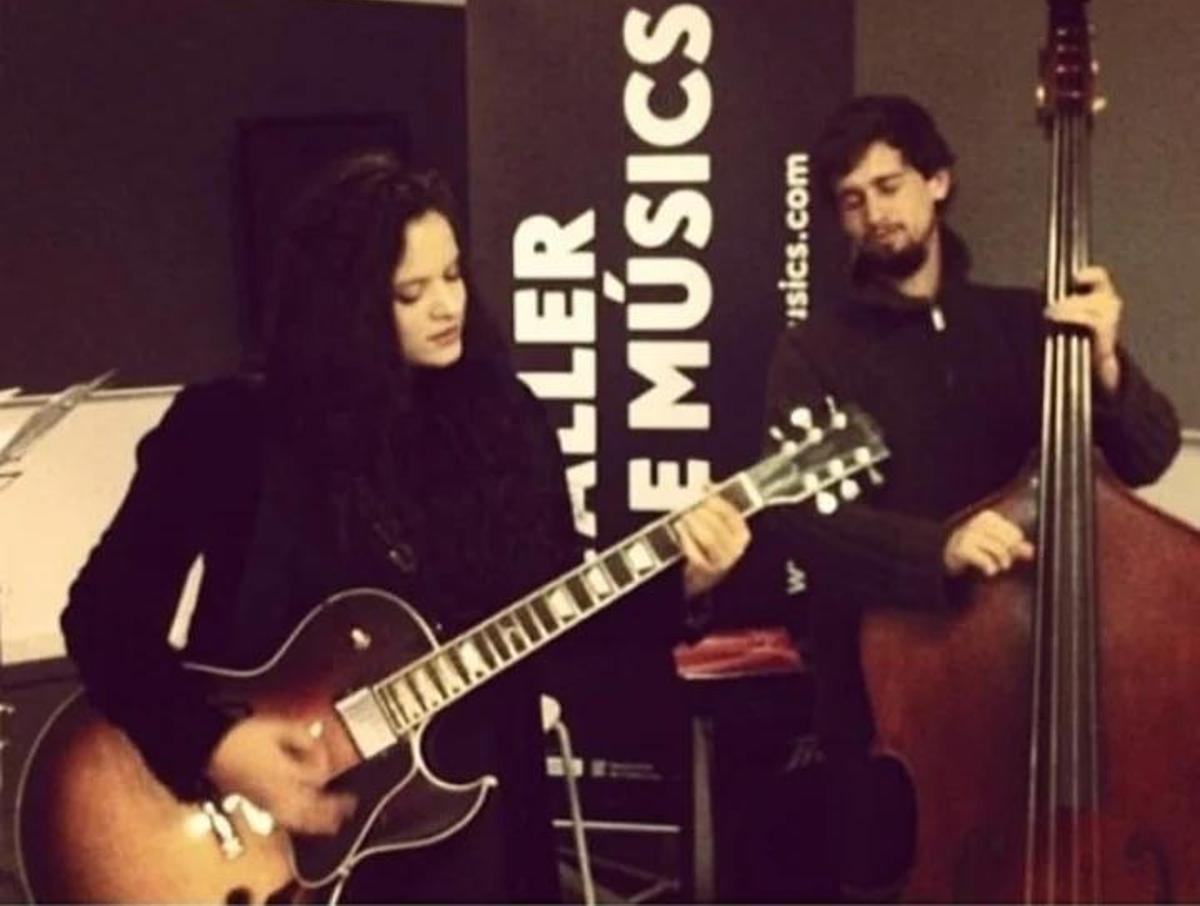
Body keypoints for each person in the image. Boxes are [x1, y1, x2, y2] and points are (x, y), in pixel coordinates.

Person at [60, 151, 750, 902]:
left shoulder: (504, 418)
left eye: (453, 276)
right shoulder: (229, 429)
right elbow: (103, 618)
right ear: (345, 306)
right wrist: (214, 744)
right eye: (410, 291)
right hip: (268, 841)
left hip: (476, 822)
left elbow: (559, 615)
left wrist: (682, 580)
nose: (447, 305)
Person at [759, 95, 1180, 900]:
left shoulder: (1033, 325)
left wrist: (1108, 367)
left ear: (938, 181)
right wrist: (935, 550)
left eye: (890, 185)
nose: (875, 213)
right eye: (853, 200)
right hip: (888, 710)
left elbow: (1150, 457)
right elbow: (800, 526)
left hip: (1035, 681)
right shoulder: (813, 352)